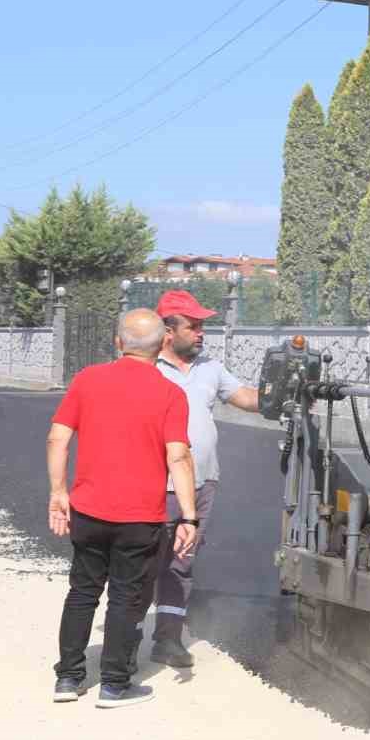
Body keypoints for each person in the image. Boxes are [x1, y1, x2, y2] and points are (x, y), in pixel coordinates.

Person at [49, 308, 198, 708]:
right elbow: (179, 457)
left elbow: (57, 440)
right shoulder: (171, 394)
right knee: (125, 596)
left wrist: (58, 492)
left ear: (118, 343)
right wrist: (188, 515)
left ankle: (68, 678)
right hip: (140, 517)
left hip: (88, 510)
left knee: (82, 591)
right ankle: (114, 685)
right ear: (163, 344)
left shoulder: (87, 380)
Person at [149, 289, 259, 669]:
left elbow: (244, 396)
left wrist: (285, 395)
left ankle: (167, 638)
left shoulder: (210, 368)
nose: (200, 332)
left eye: (202, 326)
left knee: (181, 561)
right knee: (144, 561)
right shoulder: (146, 369)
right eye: (193, 326)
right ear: (167, 330)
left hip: (202, 483)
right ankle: (124, 635)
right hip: (154, 484)